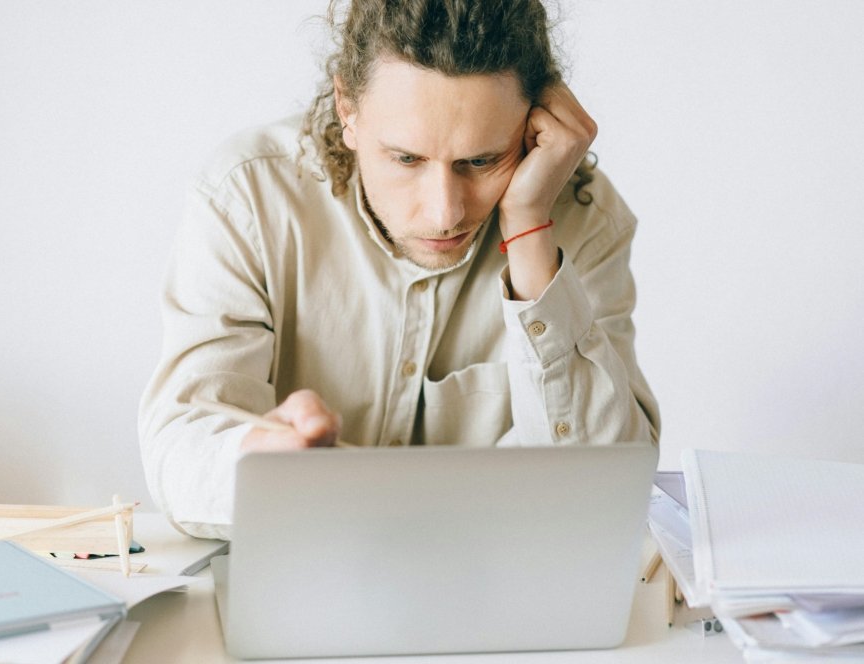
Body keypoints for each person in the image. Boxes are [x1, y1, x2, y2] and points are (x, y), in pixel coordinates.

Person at [139, 0, 660, 540]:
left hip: (490, 577)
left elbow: (606, 487)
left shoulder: (584, 220)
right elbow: (181, 448)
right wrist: (259, 464)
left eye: (481, 161)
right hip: (297, 563)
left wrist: (530, 230)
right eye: (407, 159)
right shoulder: (248, 197)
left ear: (533, 128)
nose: (444, 213)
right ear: (347, 108)